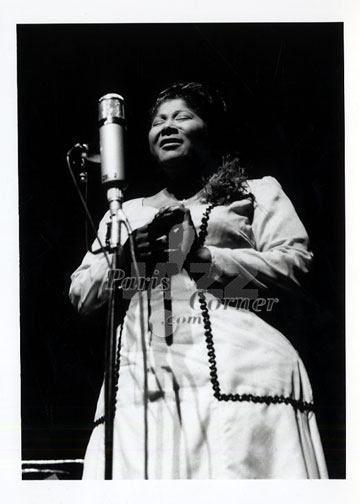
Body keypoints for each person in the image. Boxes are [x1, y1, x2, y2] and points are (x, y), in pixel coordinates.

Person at [69, 82, 328, 479]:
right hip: (142, 383)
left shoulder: (255, 193)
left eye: (182, 117)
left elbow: (297, 268)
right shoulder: (124, 214)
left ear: (210, 131)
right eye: (158, 121)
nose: (167, 127)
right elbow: (82, 296)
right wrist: (124, 262)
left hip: (244, 377)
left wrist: (203, 259)